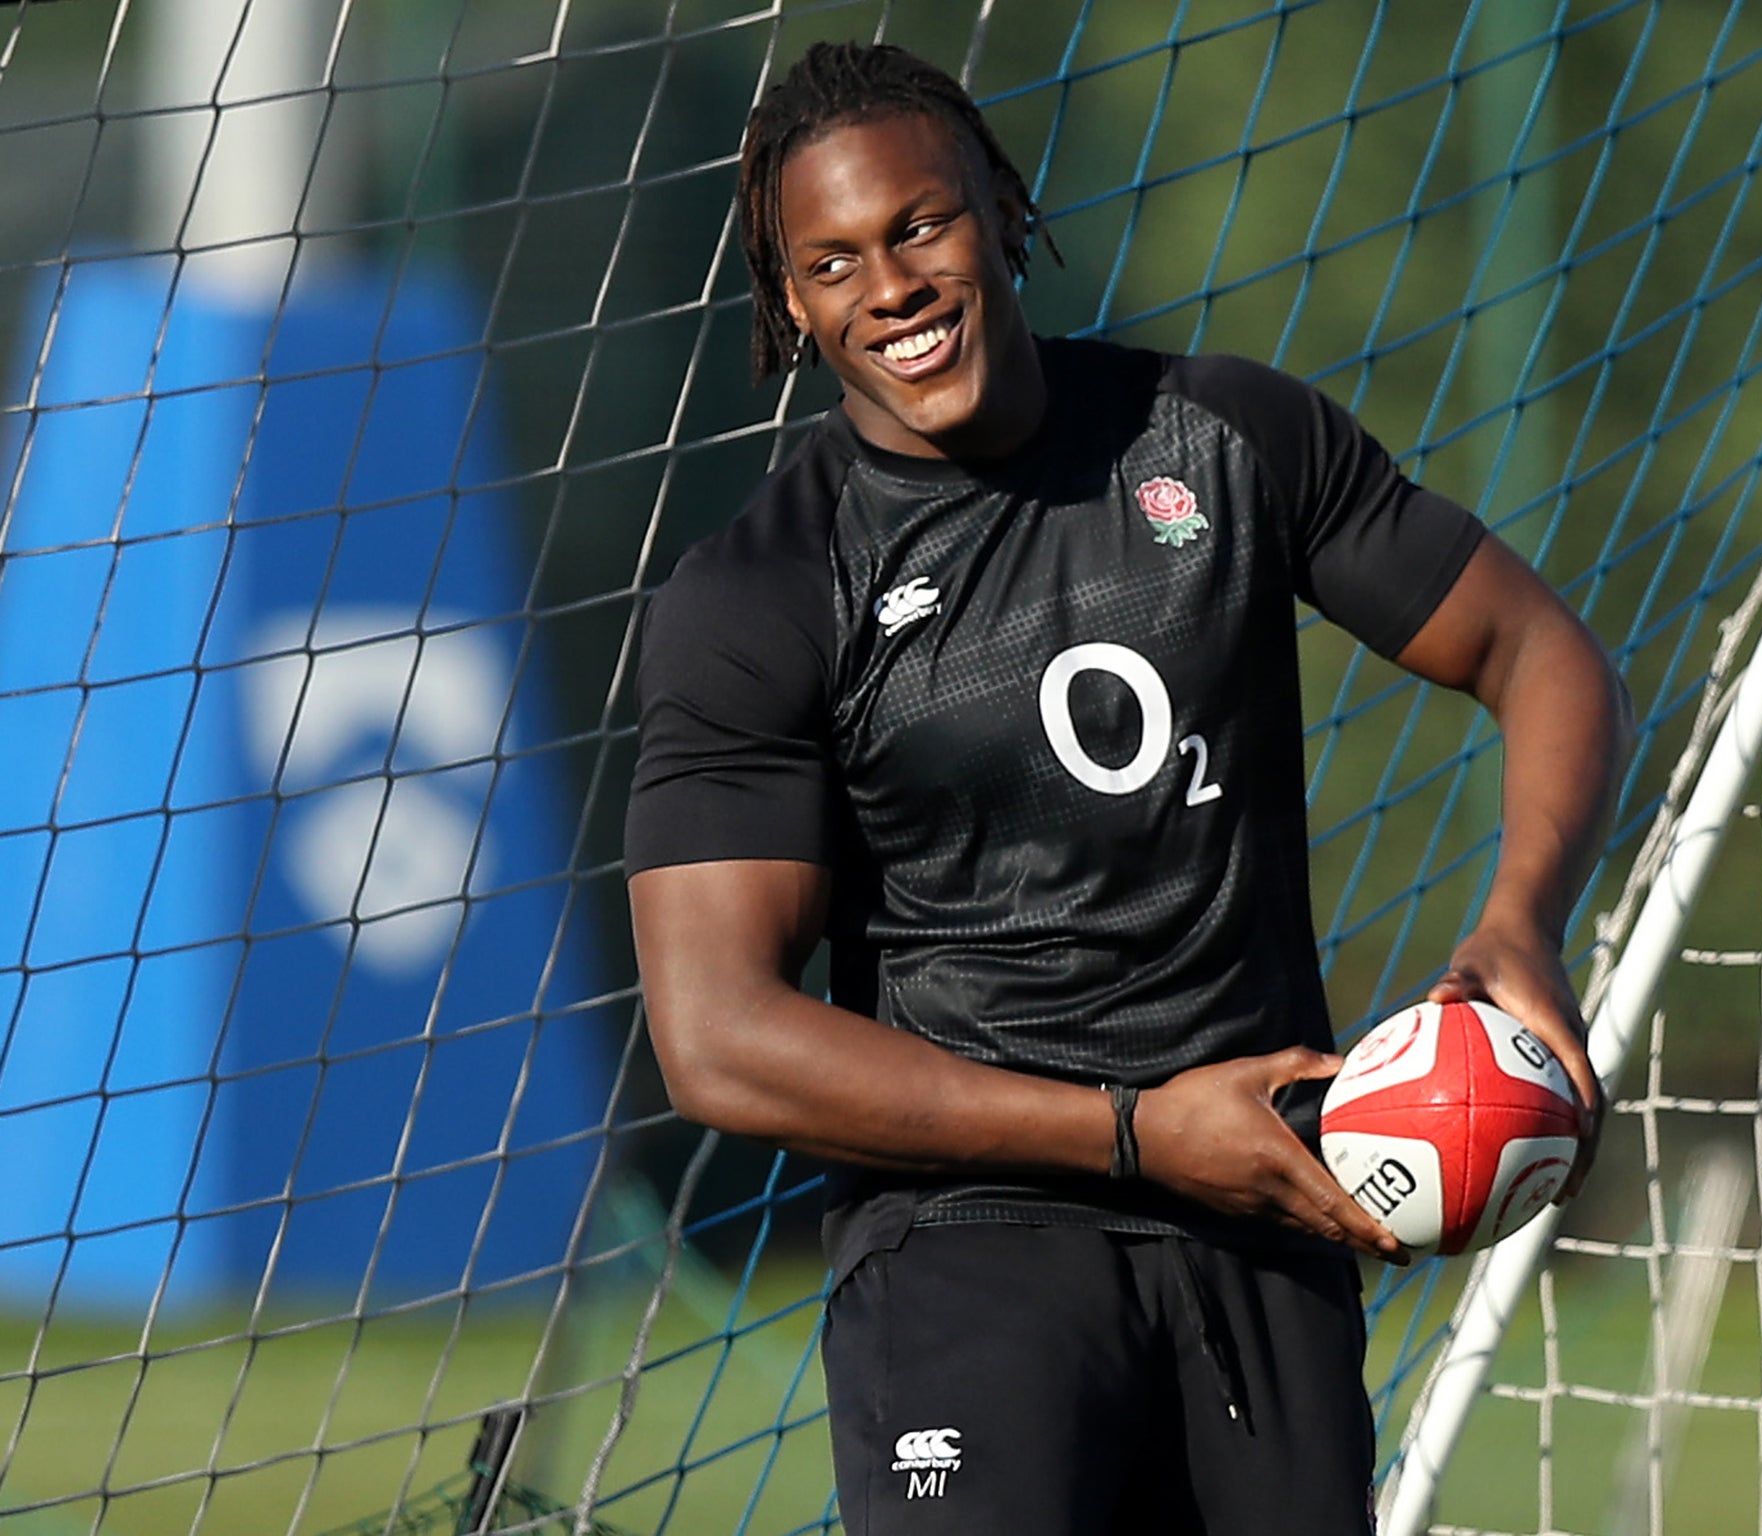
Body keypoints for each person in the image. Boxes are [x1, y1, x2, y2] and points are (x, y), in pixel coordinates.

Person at [625, 40, 1628, 1536]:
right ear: (789, 305)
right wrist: (1129, 1131)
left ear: (1005, 215)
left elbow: (1544, 654)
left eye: (920, 225)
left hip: (1266, 1224)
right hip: (968, 1246)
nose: (888, 285)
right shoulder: (763, 594)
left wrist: (1522, 922)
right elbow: (718, 1040)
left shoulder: (1224, 440)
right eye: (831, 261)